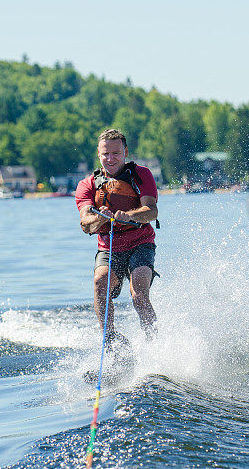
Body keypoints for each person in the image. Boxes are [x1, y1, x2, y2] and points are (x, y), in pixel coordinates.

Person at [76, 128, 159, 348]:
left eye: (116, 153)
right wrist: (100, 219)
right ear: (98, 154)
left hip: (141, 242)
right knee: (99, 283)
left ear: (125, 152)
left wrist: (128, 215)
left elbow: (151, 211)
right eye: (105, 154)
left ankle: (154, 345)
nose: (110, 158)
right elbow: (85, 224)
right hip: (109, 247)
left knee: (138, 291)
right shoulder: (88, 185)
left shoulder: (141, 174)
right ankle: (110, 342)